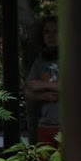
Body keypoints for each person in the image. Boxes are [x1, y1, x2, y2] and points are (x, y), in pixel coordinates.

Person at [25, 15, 61, 145]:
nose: (51, 36)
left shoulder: (72, 56)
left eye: (56, 32)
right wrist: (42, 96)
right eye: (47, 32)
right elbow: (29, 89)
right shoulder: (40, 60)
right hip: (45, 124)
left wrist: (43, 84)